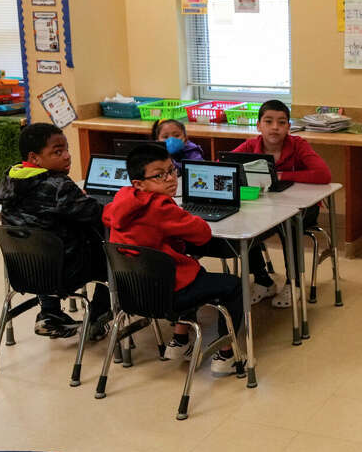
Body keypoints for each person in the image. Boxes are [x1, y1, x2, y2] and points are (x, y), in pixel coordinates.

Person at [102, 144, 244, 377]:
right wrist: (185, 215)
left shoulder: (122, 198)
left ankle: (179, 339)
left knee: (193, 270)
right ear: (139, 183)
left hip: (133, 293)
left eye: (172, 170)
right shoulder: (161, 206)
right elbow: (202, 234)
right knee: (232, 285)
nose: (170, 178)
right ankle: (227, 354)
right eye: (160, 175)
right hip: (168, 295)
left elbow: (108, 216)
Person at [0, 122, 112, 340]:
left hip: (24, 270)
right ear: (35, 158)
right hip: (64, 273)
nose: (67, 156)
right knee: (113, 260)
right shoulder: (59, 185)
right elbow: (98, 214)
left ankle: (50, 313)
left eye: (67, 149)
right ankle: (96, 319)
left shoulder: (11, 179)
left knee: (42, 245)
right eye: (57, 152)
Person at [230, 99, 332, 307]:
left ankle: (293, 282)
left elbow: (323, 174)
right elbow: (223, 166)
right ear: (259, 126)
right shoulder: (251, 146)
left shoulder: (298, 145)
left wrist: (281, 175)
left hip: (303, 208)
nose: (275, 127)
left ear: (288, 127)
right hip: (265, 208)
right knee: (245, 226)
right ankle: (262, 280)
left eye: (281, 122)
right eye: (268, 121)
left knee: (290, 224)